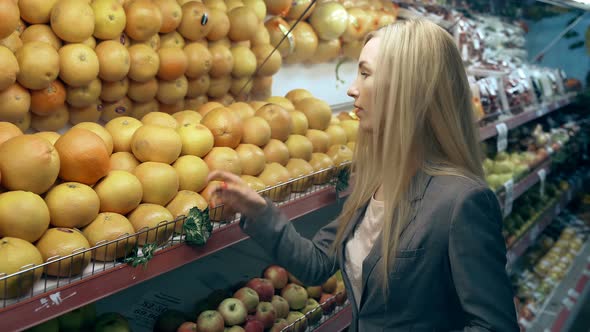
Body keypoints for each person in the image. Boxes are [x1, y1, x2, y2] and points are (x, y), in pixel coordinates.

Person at [206, 18, 519, 331]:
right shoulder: (377, 179)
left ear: (408, 89)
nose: (352, 89)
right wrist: (259, 212)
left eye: (366, 74)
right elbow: (317, 265)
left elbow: (493, 326)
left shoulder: (462, 201)